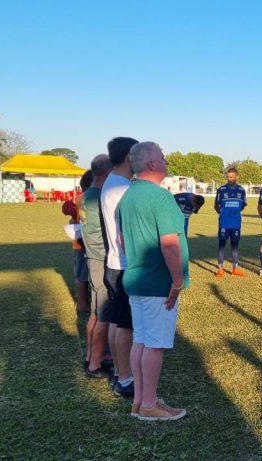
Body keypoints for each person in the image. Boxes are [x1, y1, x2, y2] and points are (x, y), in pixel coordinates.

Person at [116, 141, 189, 421]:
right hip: (158, 283)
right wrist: (178, 280)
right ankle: (148, 405)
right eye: (162, 156)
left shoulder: (128, 196)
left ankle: (140, 401)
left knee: (142, 340)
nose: (166, 160)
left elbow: (122, 240)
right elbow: (170, 244)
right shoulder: (160, 197)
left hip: (136, 278)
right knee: (155, 344)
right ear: (151, 164)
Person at [100, 136, 138, 399]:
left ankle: (119, 373)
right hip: (124, 264)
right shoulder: (123, 189)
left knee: (116, 321)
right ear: (129, 157)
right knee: (125, 324)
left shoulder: (112, 182)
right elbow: (127, 233)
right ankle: (125, 379)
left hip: (114, 262)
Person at [81, 154, 112, 378]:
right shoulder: (98, 199)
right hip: (102, 260)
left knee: (94, 313)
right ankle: (95, 366)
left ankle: (91, 357)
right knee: (103, 315)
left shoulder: (86, 196)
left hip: (93, 259)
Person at [63, 171, 92, 315]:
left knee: (83, 272)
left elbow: (72, 220)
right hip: (82, 242)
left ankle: (84, 300)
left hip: (80, 241)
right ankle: (82, 303)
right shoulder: (86, 199)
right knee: (82, 274)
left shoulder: (80, 198)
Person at [214, 168, 247, 278]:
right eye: (228, 177)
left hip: (236, 223)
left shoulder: (241, 190)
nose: (229, 179)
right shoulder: (221, 190)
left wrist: (233, 213)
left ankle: (235, 269)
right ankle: (220, 269)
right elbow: (216, 206)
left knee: (235, 246)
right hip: (224, 223)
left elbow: (242, 206)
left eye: (232, 177)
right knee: (221, 245)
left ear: (237, 177)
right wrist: (224, 214)